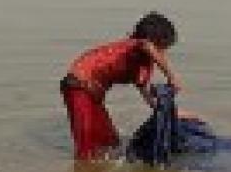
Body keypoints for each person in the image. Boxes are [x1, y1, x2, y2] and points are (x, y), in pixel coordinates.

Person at [61, 13, 183, 161]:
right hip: (77, 88)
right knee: (86, 147)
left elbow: (150, 100)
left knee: (110, 142)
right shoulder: (134, 46)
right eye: (163, 47)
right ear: (155, 41)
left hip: (93, 96)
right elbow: (147, 46)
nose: (164, 52)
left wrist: (175, 114)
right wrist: (171, 77)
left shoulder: (143, 65)